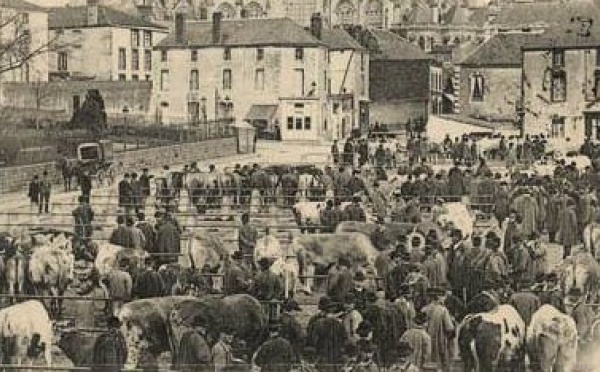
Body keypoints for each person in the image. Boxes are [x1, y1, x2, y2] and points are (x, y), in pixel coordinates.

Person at [421, 287, 455, 372]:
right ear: (438, 297)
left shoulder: (424, 309)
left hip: (426, 340)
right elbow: (449, 327)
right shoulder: (443, 310)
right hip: (440, 342)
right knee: (440, 364)